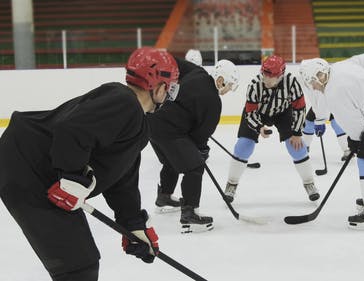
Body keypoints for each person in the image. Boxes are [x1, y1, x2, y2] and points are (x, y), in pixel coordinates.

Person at [0, 47, 179, 281]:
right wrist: (73, 175)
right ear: (160, 86)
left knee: (81, 264)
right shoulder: (124, 103)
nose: (170, 96)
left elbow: (121, 177)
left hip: (36, 170)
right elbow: (72, 130)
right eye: (172, 88)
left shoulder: (135, 120)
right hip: (27, 167)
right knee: (78, 267)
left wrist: (132, 223)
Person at [299, 53, 364, 230]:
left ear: (318, 76)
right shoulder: (340, 66)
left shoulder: (333, 93)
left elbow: (356, 125)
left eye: (312, 82)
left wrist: (356, 143)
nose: (313, 87)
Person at [149, 58, 240, 233]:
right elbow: (199, 140)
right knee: (195, 167)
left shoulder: (197, 72)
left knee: (172, 160)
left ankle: (164, 197)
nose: (228, 90)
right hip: (170, 131)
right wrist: (200, 153)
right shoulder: (214, 103)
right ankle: (189, 214)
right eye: (229, 85)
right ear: (220, 80)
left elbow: (173, 62)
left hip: (152, 123)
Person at [224, 54, 319, 203]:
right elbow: (250, 113)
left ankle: (309, 183)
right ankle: (231, 184)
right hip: (258, 114)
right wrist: (259, 127)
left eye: (271, 76)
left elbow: (300, 108)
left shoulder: (291, 83)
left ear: (281, 75)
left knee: (297, 147)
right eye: (264, 74)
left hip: (283, 112)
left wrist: (296, 132)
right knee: (243, 146)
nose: (266, 79)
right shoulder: (255, 85)